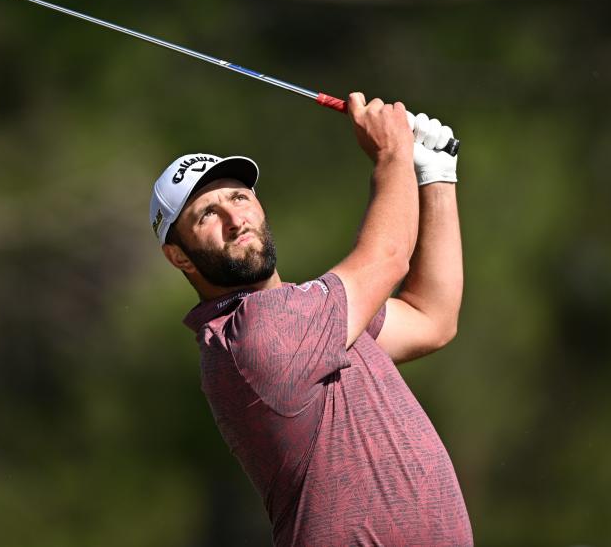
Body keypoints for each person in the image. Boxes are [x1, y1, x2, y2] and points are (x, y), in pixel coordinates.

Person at [149, 93, 472, 546]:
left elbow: (430, 317)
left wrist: (436, 174)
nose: (235, 218)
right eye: (208, 214)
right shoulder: (253, 335)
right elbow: (389, 257)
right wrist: (392, 153)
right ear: (178, 256)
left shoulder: (312, 316)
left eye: (240, 197)